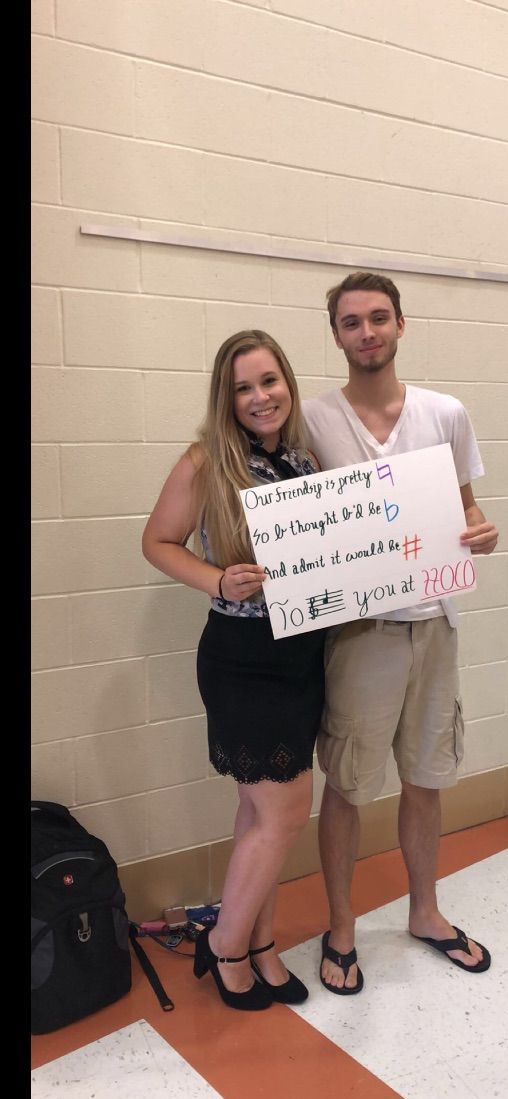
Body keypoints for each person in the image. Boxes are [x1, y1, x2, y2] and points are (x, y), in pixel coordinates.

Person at [302, 273, 499, 994]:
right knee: (349, 784)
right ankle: (343, 925)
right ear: (337, 335)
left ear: (401, 325)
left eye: (378, 318)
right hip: (360, 634)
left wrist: (483, 534)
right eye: (351, 322)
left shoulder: (445, 413)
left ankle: (425, 910)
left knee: (426, 777)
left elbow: (468, 510)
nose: (367, 333)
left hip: (435, 626)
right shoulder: (314, 420)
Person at [142, 330, 326, 1011]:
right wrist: (218, 579)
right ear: (227, 397)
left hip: (302, 654)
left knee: (259, 813)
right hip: (244, 659)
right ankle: (223, 947)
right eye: (243, 387)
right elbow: (157, 542)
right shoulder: (205, 463)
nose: (259, 397)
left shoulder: (307, 461)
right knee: (283, 812)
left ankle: (261, 943)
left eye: (269, 381)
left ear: (288, 383)